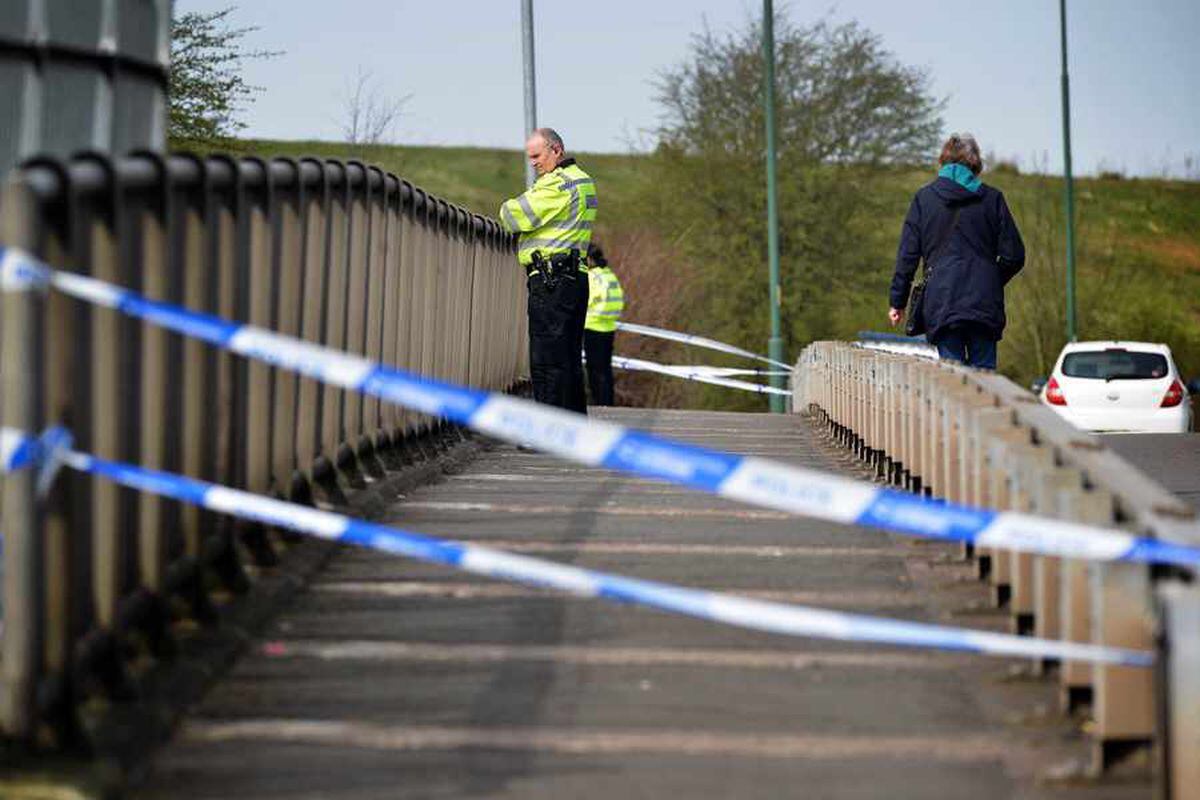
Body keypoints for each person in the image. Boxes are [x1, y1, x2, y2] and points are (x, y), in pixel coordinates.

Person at [888, 133, 1025, 369]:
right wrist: (989, 279)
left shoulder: (924, 199)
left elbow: (907, 256)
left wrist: (897, 301)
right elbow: (1015, 255)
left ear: (942, 162)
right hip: (983, 303)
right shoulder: (992, 199)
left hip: (942, 300)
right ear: (975, 165)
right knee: (985, 384)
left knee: (953, 381)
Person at [499, 128, 597, 413]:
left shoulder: (559, 184)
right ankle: (574, 425)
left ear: (556, 150)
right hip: (575, 276)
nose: (533, 163)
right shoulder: (584, 181)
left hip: (551, 279)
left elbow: (512, 216)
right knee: (567, 357)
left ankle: (546, 431)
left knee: (546, 358)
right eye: (529, 157)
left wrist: (509, 205)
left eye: (537, 156)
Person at [582, 242, 625, 406]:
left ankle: (600, 404)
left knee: (594, 370)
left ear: (589, 259)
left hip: (593, 326)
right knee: (605, 370)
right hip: (609, 326)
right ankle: (607, 403)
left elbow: (585, 300)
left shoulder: (592, 276)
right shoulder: (609, 274)